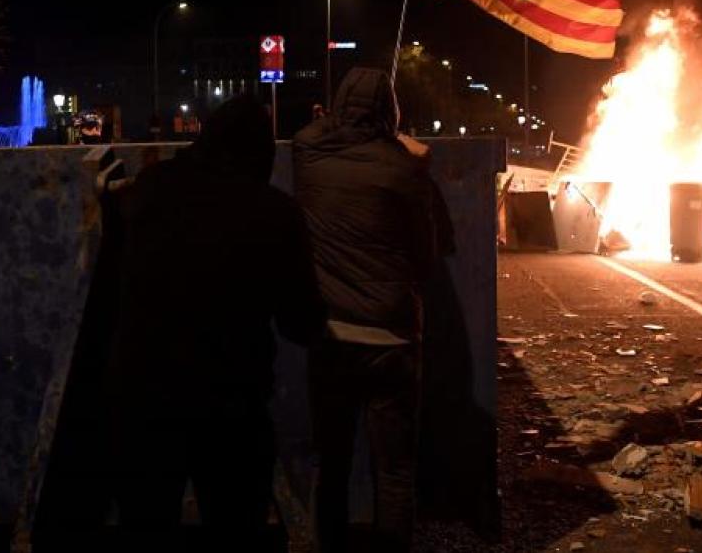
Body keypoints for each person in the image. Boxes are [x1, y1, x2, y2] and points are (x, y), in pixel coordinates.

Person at [107, 95, 325, 549]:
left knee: (145, 526)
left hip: (145, 400)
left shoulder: (150, 188)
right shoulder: (273, 212)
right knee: (236, 527)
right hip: (231, 408)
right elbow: (299, 322)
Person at [293, 67, 448, 552]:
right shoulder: (405, 169)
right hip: (392, 341)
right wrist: (409, 153)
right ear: (391, 111)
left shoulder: (309, 154)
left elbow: (314, 129)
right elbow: (425, 259)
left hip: (332, 337)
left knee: (332, 462)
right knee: (395, 472)